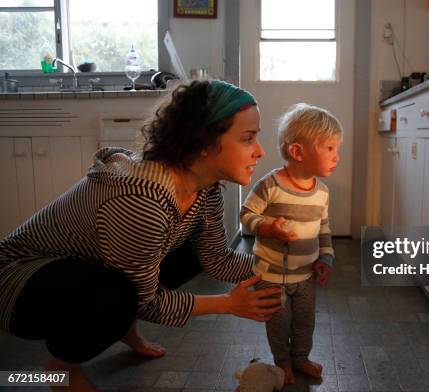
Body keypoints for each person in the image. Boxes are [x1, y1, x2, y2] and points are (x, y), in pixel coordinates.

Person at [0, 80, 282, 392]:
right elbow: (146, 301)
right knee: (118, 295)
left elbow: (215, 258)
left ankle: (125, 331)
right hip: (18, 281)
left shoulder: (206, 190)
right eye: (248, 138)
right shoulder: (141, 202)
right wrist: (228, 304)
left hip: (86, 268)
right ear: (203, 142)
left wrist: (281, 270)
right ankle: (61, 370)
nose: (261, 150)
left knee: (188, 255)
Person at [240, 103, 342, 384]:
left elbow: (323, 227)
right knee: (278, 322)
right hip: (271, 275)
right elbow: (246, 215)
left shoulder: (321, 192)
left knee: (305, 321)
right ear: (298, 152)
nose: (337, 156)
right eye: (330, 148)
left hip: (306, 274)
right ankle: (282, 361)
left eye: (337, 149)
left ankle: (301, 357)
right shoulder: (269, 186)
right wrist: (268, 228)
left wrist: (326, 258)